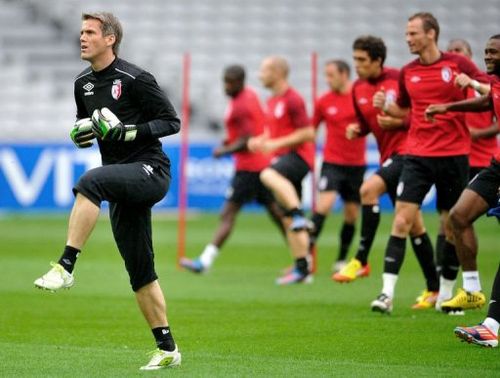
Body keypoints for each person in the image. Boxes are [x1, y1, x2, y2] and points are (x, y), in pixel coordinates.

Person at [33, 12, 181, 369]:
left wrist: (129, 131)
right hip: (121, 178)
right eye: (81, 32)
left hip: (150, 169)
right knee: (140, 271)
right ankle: (168, 350)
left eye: (90, 32)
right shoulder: (82, 83)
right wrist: (82, 133)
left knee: (90, 181)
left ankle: (66, 266)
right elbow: (91, 128)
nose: (82, 37)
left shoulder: (136, 78)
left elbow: (171, 122)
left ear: (110, 38)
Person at [369, 12, 488, 314]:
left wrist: (470, 82)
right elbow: (405, 112)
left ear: (431, 34)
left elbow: (490, 89)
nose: (408, 39)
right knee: (400, 220)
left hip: (453, 156)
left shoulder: (457, 64)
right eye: (406, 34)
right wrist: (387, 107)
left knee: (450, 227)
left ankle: (446, 294)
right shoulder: (407, 72)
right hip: (418, 155)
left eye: (413, 33)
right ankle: (386, 293)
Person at [334, 35, 439, 311]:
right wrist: (358, 129)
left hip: (409, 153)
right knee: (414, 225)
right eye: (354, 59)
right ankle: (434, 289)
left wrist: (394, 119)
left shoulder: (398, 80)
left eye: (362, 60)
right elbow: (366, 122)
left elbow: (418, 117)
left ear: (378, 60)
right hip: (389, 156)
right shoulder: (357, 89)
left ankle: (361, 259)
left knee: (368, 190)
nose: (356, 65)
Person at [425, 34, 500, 346]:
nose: (488, 56)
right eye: (486, 51)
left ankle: (492, 327)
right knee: (457, 216)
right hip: (496, 167)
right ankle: (471, 290)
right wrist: (449, 106)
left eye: (494, 52)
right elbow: (488, 100)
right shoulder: (495, 84)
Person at [180, 65, 285, 273]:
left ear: (239, 82)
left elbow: (246, 139)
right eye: (225, 82)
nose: (226, 87)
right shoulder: (248, 96)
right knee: (276, 212)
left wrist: (225, 150)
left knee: (228, 214)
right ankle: (303, 257)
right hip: (260, 164)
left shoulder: (242, 105)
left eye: (229, 83)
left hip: (250, 167)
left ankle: (205, 261)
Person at [248, 56, 316, 285]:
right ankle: (302, 269)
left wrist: (274, 145)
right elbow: (275, 132)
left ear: (277, 72)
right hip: (285, 158)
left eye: (264, 70)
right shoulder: (272, 100)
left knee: (267, 175)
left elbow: (308, 133)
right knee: (286, 220)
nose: (260, 75)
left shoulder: (293, 99)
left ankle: (299, 216)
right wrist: (260, 140)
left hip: (299, 157)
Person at [433, 38, 497, 275]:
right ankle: (445, 287)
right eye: (450, 53)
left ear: (468, 57)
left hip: (486, 160)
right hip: (456, 160)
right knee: (450, 219)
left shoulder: (486, 82)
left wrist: (478, 134)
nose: (454, 56)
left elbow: (493, 107)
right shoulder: (447, 86)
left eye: (459, 52)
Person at [309, 59, 366, 273]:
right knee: (324, 205)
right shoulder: (323, 101)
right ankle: (305, 256)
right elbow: (311, 130)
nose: (327, 80)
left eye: (331, 75)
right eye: (325, 75)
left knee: (351, 214)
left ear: (344, 74)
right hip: (332, 162)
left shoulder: (359, 97)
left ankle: (341, 259)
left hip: (356, 165)